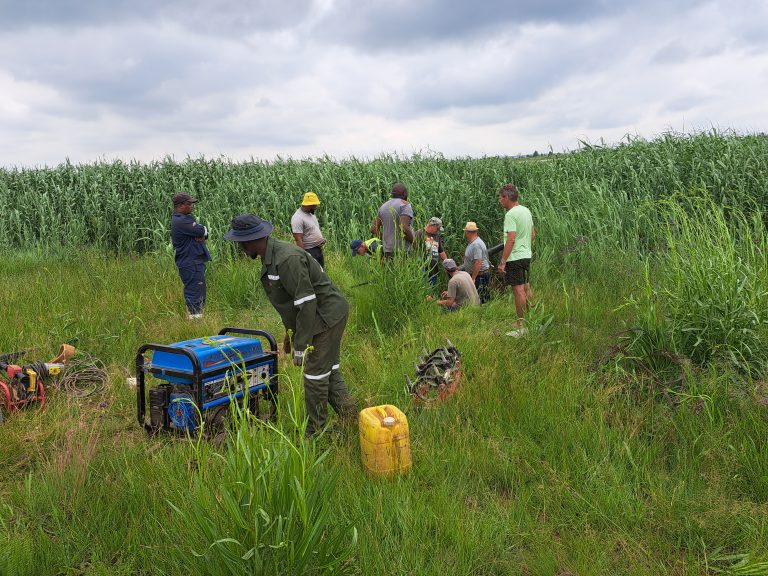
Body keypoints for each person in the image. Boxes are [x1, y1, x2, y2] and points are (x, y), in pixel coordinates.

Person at [224, 213, 356, 436]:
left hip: (326, 316)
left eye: (241, 243)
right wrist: (291, 334)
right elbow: (290, 302)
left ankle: (315, 433)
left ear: (251, 240)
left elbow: (306, 302)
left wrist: (301, 345)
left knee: (314, 375)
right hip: (318, 315)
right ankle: (351, 416)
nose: (240, 248)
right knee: (328, 369)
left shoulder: (286, 259)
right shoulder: (272, 257)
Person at [497, 184, 535, 337]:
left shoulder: (511, 214)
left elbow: (511, 239)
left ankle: (522, 323)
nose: (500, 201)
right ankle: (533, 317)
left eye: (501, 198)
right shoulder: (526, 211)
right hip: (526, 255)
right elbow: (532, 234)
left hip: (515, 257)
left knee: (518, 290)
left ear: (507, 197)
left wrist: (503, 261)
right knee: (526, 287)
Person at [170, 192, 211, 319]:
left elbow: (205, 234)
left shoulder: (185, 219)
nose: (192, 206)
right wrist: (201, 231)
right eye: (189, 204)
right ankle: (195, 323)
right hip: (190, 262)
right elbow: (201, 230)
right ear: (180, 206)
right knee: (195, 292)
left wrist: (202, 232)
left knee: (198, 290)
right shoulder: (181, 221)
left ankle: (196, 320)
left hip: (193, 261)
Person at [371, 182, 414, 257]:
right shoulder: (405, 205)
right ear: (404, 194)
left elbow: (374, 229)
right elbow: (403, 227)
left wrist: (385, 241)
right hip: (404, 250)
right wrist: (414, 242)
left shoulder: (383, 206)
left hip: (387, 250)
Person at [458, 222, 491, 303]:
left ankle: (483, 313)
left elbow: (478, 262)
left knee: (481, 298)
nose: (465, 233)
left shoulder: (476, 244)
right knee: (481, 296)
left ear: (468, 232)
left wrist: (473, 278)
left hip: (480, 275)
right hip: (480, 274)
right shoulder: (475, 242)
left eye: (466, 231)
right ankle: (483, 311)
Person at [291, 191, 326, 267]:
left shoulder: (310, 213)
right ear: (309, 205)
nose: (316, 206)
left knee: (321, 273)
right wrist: (305, 256)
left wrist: (320, 240)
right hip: (310, 251)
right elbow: (298, 239)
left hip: (317, 249)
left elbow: (312, 229)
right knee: (313, 275)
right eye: (315, 205)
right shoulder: (298, 218)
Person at [413, 217, 447, 285]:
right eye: (437, 229)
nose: (438, 231)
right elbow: (413, 249)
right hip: (421, 268)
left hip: (433, 270)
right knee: (422, 290)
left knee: (431, 291)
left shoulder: (436, 236)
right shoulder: (419, 233)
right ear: (432, 225)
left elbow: (441, 251)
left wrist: (447, 263)